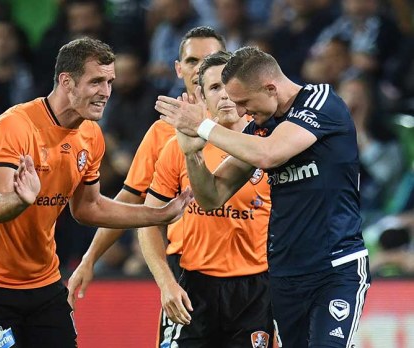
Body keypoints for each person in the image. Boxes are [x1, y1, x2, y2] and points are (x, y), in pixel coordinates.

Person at [0, 37, 191, 348]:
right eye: (96, 82)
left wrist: (158, 214)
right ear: (67, 81)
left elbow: (88, 208)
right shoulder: (15, 126)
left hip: (43, 280)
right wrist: (23, 198)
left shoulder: (91, 135)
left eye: (109, 82)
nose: (105, 92)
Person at [157, 46, 371, 347]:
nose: (243, 112)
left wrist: (202, 126)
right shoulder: (263, 127)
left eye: (244, 102)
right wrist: (193, 154)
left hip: (334, 269)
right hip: (283, 276)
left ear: (270, 87)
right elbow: (212, 196)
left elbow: (269, 154)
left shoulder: (322, 104)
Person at [68, 26, 226, 306]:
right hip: (188, 275)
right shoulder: (162, 132)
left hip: (251, 278)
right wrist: (90, 258)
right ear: (178, 69)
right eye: (191, 61)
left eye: (210, 60)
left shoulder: (250, 127)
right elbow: (130, 199)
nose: (200, 69)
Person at [140, 50, 273, 347]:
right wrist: (166, 284)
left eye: (230, 86)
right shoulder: (177, 147)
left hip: (254, 292)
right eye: (215, 88)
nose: (225, 96)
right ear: (200, 94)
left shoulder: (268, 148)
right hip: (191, 285)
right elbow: (148, 220)